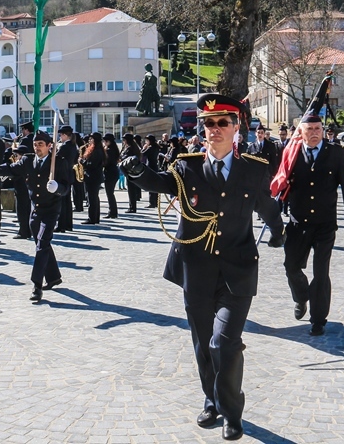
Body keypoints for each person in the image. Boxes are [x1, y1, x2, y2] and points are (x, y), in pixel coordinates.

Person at [119, 94, 285, 441]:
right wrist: (136, 170)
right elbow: (159, 183)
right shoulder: (187, 166)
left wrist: (280, 232)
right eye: (209, 123)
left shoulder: (253, 170)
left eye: (223, 122)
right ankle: (211, 399)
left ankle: (232, 413)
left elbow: (267, 208)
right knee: (201, 342)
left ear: (237, 127)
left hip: (237, 271)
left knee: (224, 343)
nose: (215, 129)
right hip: (195, 269)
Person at [282, 114, 344, 336]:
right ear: (301, 132)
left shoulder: (336, 153)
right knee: (291, 266)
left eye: (318, 128)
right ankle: (300, 297)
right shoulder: (291, 152)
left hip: (325, 224)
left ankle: (318, 320)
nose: (315, 132)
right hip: (298, 223)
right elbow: (278, 181)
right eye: (310, 129)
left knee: (320, 272)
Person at [0, 130, 70, 301]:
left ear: (49, 146)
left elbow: (66, 187)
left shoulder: (58, 163)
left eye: (41, 145)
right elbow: (10, 169)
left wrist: (57, 187)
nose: (37, 148)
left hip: (51, 210)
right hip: (35, 210)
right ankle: (54, 277)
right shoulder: (28, 160)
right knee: (41, 244)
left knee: (42, 244)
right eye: (35, 145)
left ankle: (37, 285)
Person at [78, 132, 106, 225]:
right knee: (94, 198)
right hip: (94, 176)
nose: (89, 141)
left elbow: (91, 165)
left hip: (92, 177)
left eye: (91, 139)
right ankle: (95, 218)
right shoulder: (98, 150)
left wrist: (81, 161)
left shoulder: (96, 151)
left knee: (91, 198)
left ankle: (92, 218)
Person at [55, 125, 77, 233]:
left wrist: (54, 149)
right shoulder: (73, 146)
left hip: (62, 175)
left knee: (62, 201)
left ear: (64, 135)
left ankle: (61, 225)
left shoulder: (64, 146)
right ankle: (68, 224)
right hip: (69, 174)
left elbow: (56, 159)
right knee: (68, 201)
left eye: (61, 135)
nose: (60, 136)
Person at [10, 144, 33, 239]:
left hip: (21, 191)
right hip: (25, 191)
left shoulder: (21, 164)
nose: (16, 157)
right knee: (26, 211)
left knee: (21, 212)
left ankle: (23, 232)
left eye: (17, 155)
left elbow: (15, 176)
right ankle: (27, 231)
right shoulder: (28, 163)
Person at [120, 133, 141, 213]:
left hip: (130, 170)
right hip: (131, 170)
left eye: (124, 140)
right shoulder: (132, 147)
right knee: (131, 189)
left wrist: (121, 158)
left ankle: (132, 207)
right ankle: (132, 206)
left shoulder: (130, 148)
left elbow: (127, 158)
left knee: (131, 189)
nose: (123, 141)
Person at [102, 133, 120, 218]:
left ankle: (112, 212)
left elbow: (106, 162)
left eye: (105, 141)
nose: (104, 143)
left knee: (110, 193)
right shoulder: (114, 149)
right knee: (110, 193)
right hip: (113, 172)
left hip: (110, 173)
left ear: (108, 141)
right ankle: (113, 212)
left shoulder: (109, 150)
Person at [141, 134, 160, 208]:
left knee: (150, 184)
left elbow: (142, 154)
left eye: (147, 140)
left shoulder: (150, 148)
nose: (146, 142)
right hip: (155, 166)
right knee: (155, 185)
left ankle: (152, 202)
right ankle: (156, 202)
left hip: (150, 166)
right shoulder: (156, 147)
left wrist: (144, 148)